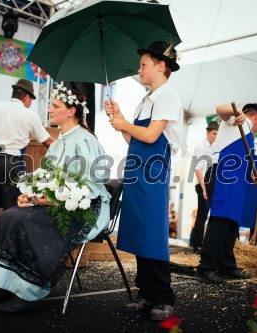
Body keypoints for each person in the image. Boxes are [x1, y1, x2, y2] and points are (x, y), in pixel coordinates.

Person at [0, 86, 111, 314]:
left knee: (25, 221)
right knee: (9, 215)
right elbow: (44, 177)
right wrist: (29, 193)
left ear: (71, 111)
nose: (49, 110)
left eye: (55, 106)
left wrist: (50, 199)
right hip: (57, 202)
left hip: (84, 208)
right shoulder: (57, 143)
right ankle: (6, 285)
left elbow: (89, 185)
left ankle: (28, 292)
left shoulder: (85, 140)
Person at [105, 40, 183, 321]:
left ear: (161, 66)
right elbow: (132, 137)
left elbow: (151, 136)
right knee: (140, 230)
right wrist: (120, 118)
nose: (139, 69)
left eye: (144, 64)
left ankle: (164, 296)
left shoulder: (168, 96)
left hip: (154, 171)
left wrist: (125, 123)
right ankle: (146, 294)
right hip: (137, 169)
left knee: (153, 232)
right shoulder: (145, 100)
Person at [0, 79, 55, 255]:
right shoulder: (29, 116)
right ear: (27, 98)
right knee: (14, 210)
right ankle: (10, 255)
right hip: (12, 163)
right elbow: (48, 142)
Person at [196, 103, 257, 285]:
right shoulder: (237, 121)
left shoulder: (249, 137)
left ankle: (226, 265)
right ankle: (206, 266)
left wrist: (256, 177)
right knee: (220, 219)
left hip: (236, 180)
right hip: (222, 174)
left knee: (232, 223)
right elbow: (220, 108)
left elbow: (246, 165)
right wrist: (237, 112)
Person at [189, 120, 218, 252]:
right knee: (202, 215)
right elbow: (197, 169)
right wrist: (204, 189)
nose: (215, 136)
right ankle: (197, 245)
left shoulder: (215, 147)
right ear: (207, 132)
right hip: (202, 184)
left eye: (217, 134)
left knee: (210, 215)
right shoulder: (201, 146)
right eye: (214, 133)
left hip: (211, 183)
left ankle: (205, 244)